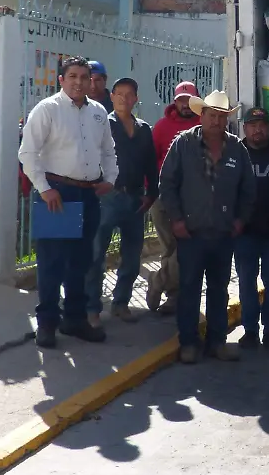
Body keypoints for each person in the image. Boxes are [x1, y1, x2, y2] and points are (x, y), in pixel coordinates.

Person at [19, 56, 118, 349]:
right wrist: (45, 189)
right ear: (61, 80)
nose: (78, 82)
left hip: (88, 194)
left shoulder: (98, 112)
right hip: (57, 194)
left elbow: (109, 151)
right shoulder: (47, 109)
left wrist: (110, 178)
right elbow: (27, 153)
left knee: (81, 261)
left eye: (84, 77)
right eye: (72, 76)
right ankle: (47, 323)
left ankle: (74, 319)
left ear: (91, 81)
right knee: (52, 262)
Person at [159, 91, 256, 364]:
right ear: (202, 116)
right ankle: (188, 343)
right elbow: (167, 183)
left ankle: (217, 342)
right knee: (189, 288)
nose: (216, 121)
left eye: (222, 117)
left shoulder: (237, 149)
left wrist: (240, 220)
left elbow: (248, 189)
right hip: (191, 232)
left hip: (223, 233)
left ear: (227, 120)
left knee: (219, 289)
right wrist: (176, 219)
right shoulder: (183, 144)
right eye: (212, 115)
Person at [86, 77, 159, 327]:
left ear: (135, 99)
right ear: (112, 96)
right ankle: (91, 308)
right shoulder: (103, 125)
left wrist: (151, 193)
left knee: (132, 255)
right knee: (96, 254)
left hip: (136, 198)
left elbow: (151, 163)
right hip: (108, 197)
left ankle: (121, 303)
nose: (124, 99)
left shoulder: (143, 129)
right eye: (119, 94)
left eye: (129, 95)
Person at [236, 106, 269, 349]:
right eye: (253, 125)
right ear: (245, 128)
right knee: (246, 283)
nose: (258, 130)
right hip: (244, 233)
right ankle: (250, 330)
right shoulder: (235, 154)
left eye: (262, 125)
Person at [148, 81, 201, 315]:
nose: (185, 105)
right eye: (181, 100)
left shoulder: (203, 125)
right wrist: (149, 192)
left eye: (189, 100)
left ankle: (158, 280)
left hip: (193, 198)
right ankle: (173, 296)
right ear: (175, 102)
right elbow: (150, 161)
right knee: (170, 247)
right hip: (163, 196)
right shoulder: (161, 127)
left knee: (185, 246)